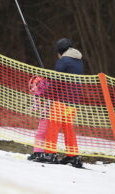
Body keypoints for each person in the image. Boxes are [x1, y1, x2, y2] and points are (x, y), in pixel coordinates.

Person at [40, 38, 84, 167]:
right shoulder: (79, 61)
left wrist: (46, 93)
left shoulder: (63, 60)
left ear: (60, 51)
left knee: (53, 126)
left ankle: (50, 154)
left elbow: (56, 81)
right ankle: (73, 155)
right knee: (68, 128)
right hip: (74, 101)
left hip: (62, 101)